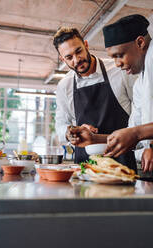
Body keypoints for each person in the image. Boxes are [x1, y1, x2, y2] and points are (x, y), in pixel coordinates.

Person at [53, 27, 137, 171]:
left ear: (86, 45)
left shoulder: (118, 70)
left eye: (78, 51)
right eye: (69, 57)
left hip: (121, 164)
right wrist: (70, 133)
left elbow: (141, 110)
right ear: (62, 59)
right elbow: (61, 124)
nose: (76, 59)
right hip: (85, 166)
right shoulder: (64, 86)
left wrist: (150, 147)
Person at [102, 14, 153, 172]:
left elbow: (136, 132)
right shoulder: (140, 84)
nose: (117, 64)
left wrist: (139, 135)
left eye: (119, 55)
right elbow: (133, 129)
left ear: (140, 42)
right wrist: (93, 139)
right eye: (113, 58)